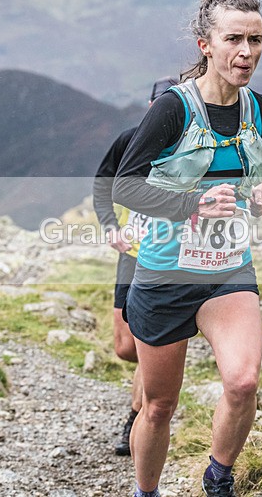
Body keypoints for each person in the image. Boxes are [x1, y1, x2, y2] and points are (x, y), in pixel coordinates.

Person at [112, 0, 262, 497]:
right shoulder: (172, 109)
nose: (246, 52)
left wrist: (258, 197)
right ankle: (146, 492)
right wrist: (193, 204)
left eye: (255, 40)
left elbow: (259, 177)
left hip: (228, 270)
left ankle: (218, 477)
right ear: (205, 44)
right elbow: (125, 187)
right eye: (234, 39)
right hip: (164, 273)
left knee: (243, 382)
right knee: (159, 406)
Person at [92, 76, 178, 456]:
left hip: (169, 259)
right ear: (150, 106)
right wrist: (110, 226)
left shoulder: (191, 145)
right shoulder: (130, 141)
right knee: (126, 347)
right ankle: (155, 390)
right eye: (160, 106)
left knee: (149, 340)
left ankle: (140, 413)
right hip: (132, 253)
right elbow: (102, 184)